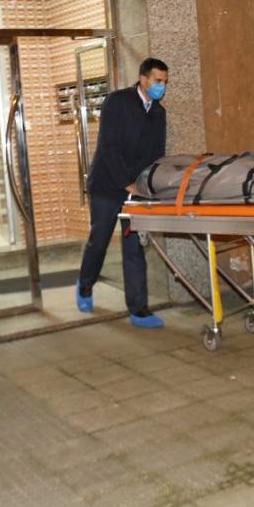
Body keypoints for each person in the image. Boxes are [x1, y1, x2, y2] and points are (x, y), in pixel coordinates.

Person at [76, 58, 169, 327]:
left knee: (134, 246)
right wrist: (125, 183)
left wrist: (150, 185)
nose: (161, 86)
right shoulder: (118, 102)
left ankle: (139, 309)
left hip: (136, 190)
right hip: (107, 185)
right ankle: (85, 284)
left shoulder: (158, 112)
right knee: (100, 239)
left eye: (164, 82)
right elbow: (108, 146)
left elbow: (156, 154)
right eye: (157, 81)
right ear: (143, 78)